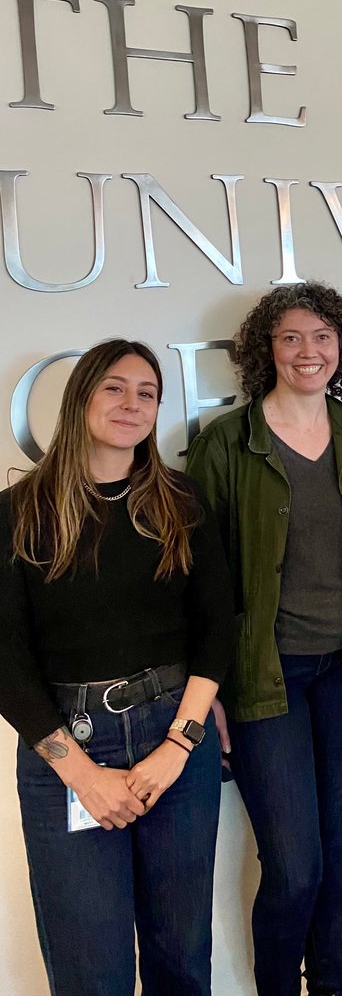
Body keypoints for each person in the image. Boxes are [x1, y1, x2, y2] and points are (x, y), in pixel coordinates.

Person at [0, 338, 233, 996]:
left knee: (182, 955)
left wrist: (178, 747)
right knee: (89, 969)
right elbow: (6, 658)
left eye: (147, 393)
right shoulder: (19, 513)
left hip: (173, 739)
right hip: (65, 751)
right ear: (81, 399)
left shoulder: (179, 502)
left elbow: (217, 628)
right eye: (114, 387)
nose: (132, 403)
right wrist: (83, 776)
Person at [185, 283, 342, 996]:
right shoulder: (225, 444)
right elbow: (200, 579)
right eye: (291, 338)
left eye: (323, 337)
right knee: (294, 862)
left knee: (330, 847)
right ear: (264, 351)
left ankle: (330, 986)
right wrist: (205, 688)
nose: (310, 352)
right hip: (261, 677)